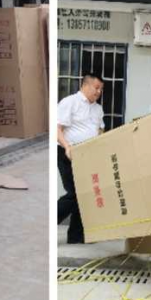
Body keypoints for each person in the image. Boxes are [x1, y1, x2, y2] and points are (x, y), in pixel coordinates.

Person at [56, 75, 105, 244]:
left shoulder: (98, 109)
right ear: (85, 85)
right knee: (74, 193)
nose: (99, 92)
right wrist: (67, 147)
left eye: (101, 89)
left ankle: (76, 236)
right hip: (68, 153)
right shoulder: (70, 102)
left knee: (84, 194)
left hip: (87, 156)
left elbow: (100, 130)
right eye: (96, 88)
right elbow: (57, 128)